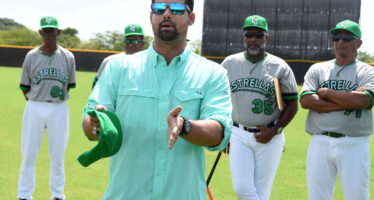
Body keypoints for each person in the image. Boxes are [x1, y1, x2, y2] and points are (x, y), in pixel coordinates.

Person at [81, 0, 232, 199]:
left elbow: (219, 134)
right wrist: (96, 125)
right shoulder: (118, 69)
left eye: (176, 9)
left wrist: (185, 126)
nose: (166, 14)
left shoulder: (213, 73)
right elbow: (88, 126)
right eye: (159, 8)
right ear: (151, 16)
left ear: (191, 18)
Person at [221, 15, 298, 200]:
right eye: (249, 35)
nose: (253, 40)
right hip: (238, 132)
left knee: (262, 192)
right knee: (242, 189)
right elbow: (220, 101)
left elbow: (293, 104)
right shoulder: (229, 64)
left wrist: (276, 129)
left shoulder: (279, 67)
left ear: (266, 37)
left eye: (258, 35)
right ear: (243, 37)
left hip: (270, 134)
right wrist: (225, 131)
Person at [300, 20, 374, 200]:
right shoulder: (318, 69)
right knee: (317, 197)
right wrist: (348, 100)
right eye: (337, 37)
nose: (341, 41)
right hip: (320, 141)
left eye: (347, 38)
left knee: (357, 196)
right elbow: (306, 100)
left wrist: (325, 92)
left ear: (359, 43)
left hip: (354, 142)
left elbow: (363, 100)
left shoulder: (367, 71)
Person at [17, 16, 76, 200]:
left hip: (59, 108)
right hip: (34, 106)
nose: (48, 34)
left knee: (58, 155)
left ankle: (57, 194)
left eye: (52, 30)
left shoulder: (68, 57)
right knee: (28, 154)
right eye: (45, 30)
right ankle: (24, 194)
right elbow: (25, 88)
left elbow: (68, 86)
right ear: (40, 32)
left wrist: (50, 104)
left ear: (58, 32)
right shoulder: (31, 56)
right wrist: (37, 105)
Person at [92, 24, 145, 88]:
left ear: (143, 43)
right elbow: (96, 85)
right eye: (127, 41)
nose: (130, 45)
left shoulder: (150, 64)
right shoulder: (109, 61)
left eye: (135, 41)